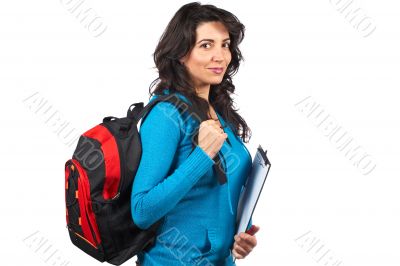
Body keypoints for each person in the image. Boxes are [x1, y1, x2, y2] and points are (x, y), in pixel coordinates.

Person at [131, 2, 259, 265]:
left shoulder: (219, 111)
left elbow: (213, 196)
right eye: (206, 45)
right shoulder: (166, 116)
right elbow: (142, 210)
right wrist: (202, 156)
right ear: (180, 53)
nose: (220, 56)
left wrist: (240, 232)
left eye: (225, 44)